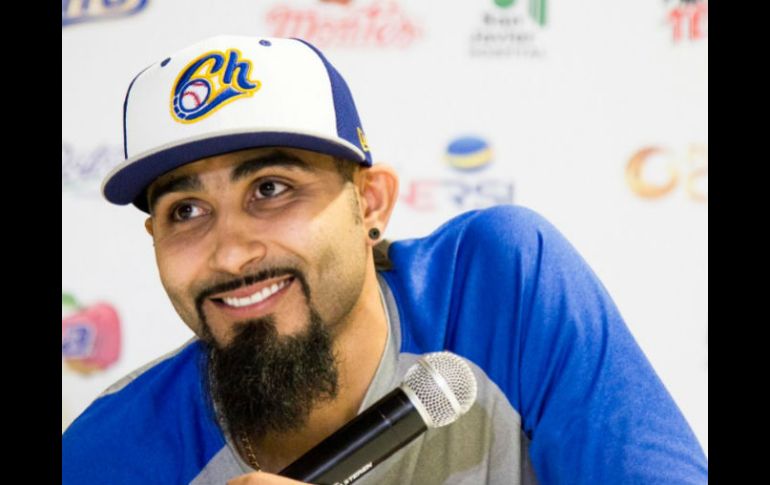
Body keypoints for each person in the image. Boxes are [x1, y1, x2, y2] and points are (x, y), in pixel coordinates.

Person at [62, 35, 708, 485]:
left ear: (370, 202)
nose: (230, 251)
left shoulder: (493, 284)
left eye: (271, 188)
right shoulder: (108, 452)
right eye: (186, 211)